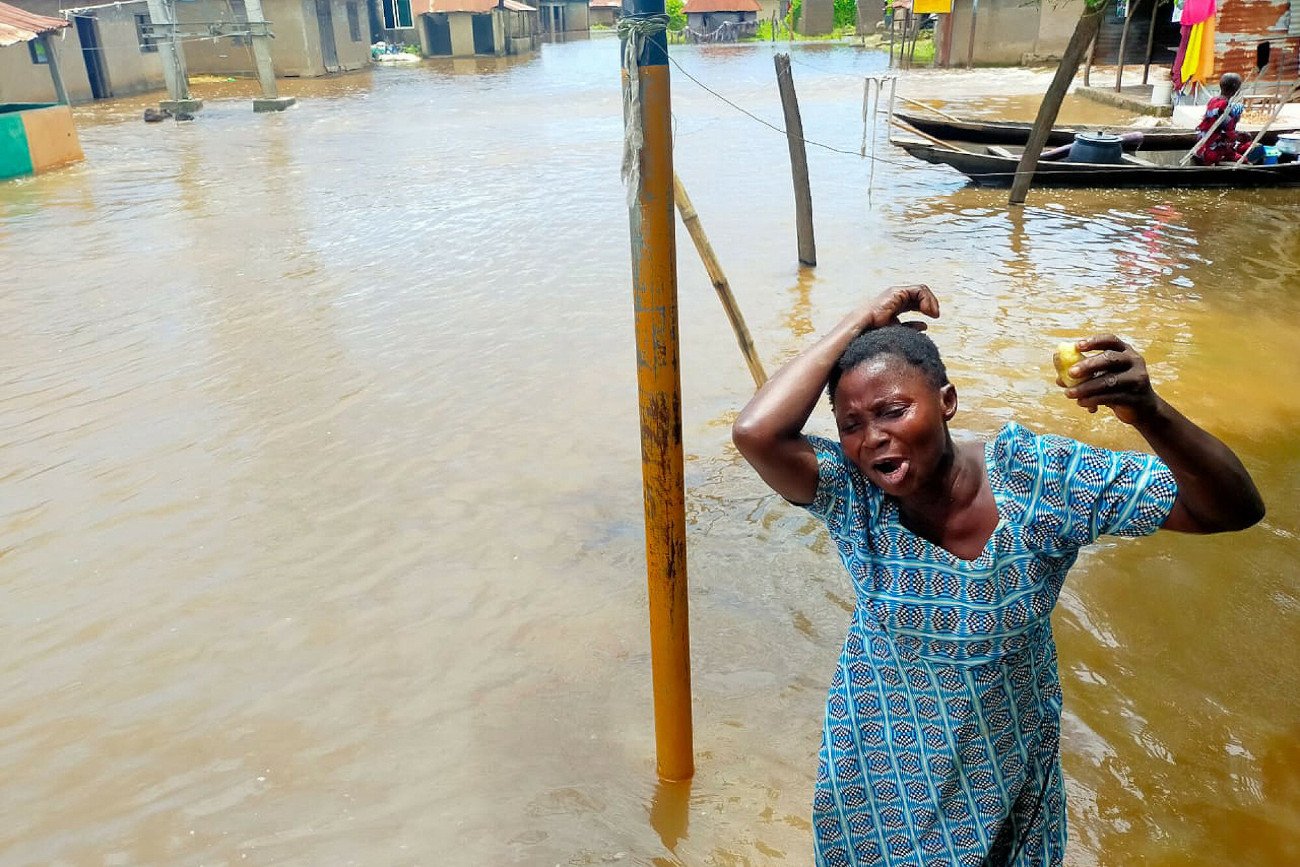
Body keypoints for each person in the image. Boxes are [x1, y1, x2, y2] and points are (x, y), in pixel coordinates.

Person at [731, 286, 1264, 866]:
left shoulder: (1041, 480)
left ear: (947, 402)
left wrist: (1150, 413)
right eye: (850, 423)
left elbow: (1232, 509)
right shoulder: (851, 492)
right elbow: (756, 431)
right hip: (877, 771)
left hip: (1001, 767)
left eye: (893, 411)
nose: (872, 438)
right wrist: (857, 318)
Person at [1195, 72, 1251, 165]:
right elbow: (1227, 132)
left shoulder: (1213, 101)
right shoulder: (1224, 106)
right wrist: (1240, 136)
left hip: (1204, 142)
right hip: (1212, 149)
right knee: (1247, 144)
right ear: (1236, 89)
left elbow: (1217, 125)